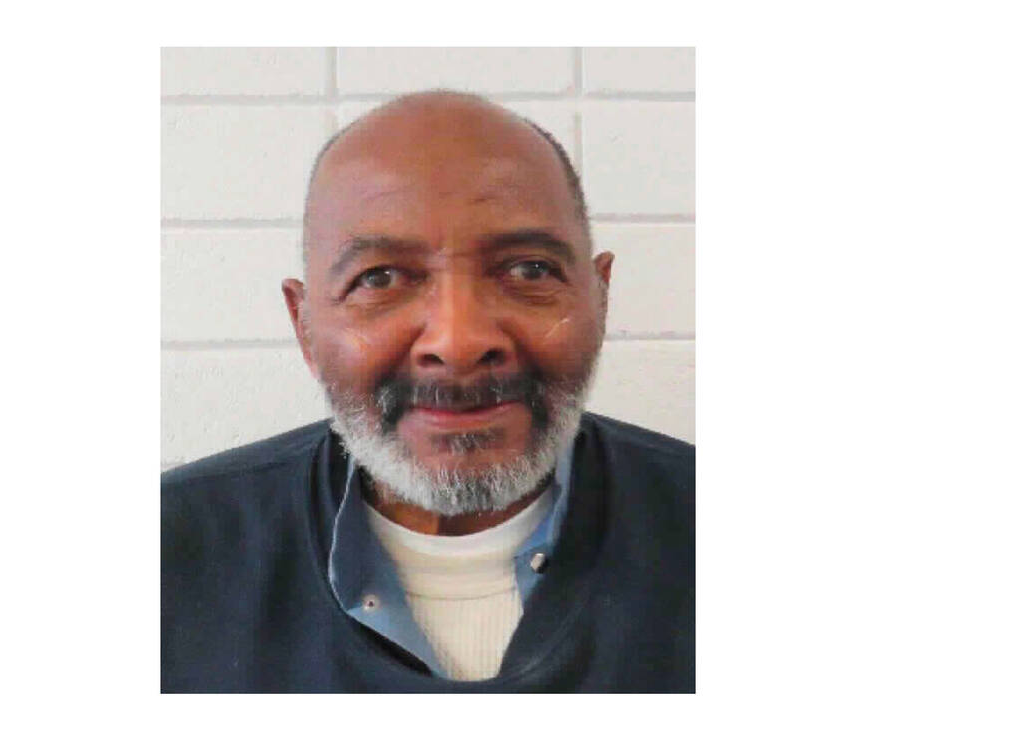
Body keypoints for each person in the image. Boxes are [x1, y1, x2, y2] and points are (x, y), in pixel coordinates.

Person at [161, 90, 694, 692]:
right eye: (380, 278)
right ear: (304, 326)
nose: (458, 341)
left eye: (529, 270)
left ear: (600, 299)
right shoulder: (171, 553)